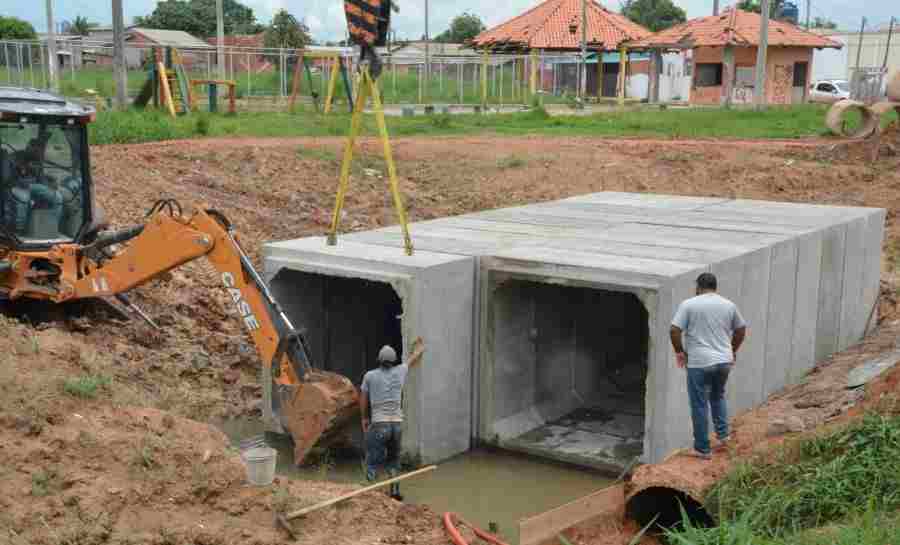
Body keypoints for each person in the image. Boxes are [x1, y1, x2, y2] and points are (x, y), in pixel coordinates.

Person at [670, 273, 747, 460]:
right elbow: (741, 329)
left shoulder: (689, 304)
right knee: (718, 396)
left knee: (699, 404)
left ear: (698, 286)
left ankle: (702, 449)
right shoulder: (728, 305)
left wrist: (680, 352)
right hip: (723, 361)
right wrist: (732, 349)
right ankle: (723, 437)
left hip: (699, 362)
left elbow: (674, 330)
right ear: (715, 286)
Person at [359, 337, 425, 500]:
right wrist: (419, 346)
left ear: (379, 361)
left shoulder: (370, 376)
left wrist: (364, 418)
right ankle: (394, 492)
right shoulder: (400, 371)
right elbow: (413, 357)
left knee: (372, 460)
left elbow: (363, 398)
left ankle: (368, 494)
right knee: (393, 461)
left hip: (379, 424)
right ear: (393, 361)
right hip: (396, 425)